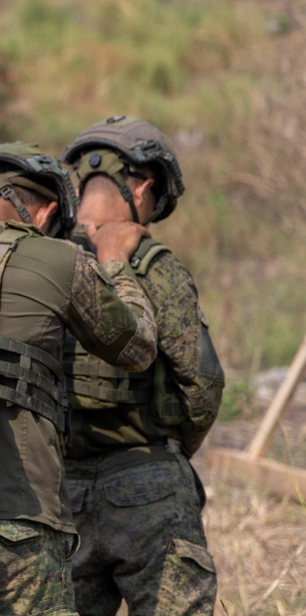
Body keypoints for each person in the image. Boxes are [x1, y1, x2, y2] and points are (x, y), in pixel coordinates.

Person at [0, 142, 159, 616]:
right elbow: (136, 349)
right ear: (47, 210)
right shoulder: (57, 258)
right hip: (18, 513)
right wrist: (115, 262)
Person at [60, 116, 225, 616]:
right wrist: (169, 452)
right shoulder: (153, 262)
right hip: (147, 480)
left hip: (61, 493)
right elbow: (203, 384)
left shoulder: (45, 258)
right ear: (143, 186)